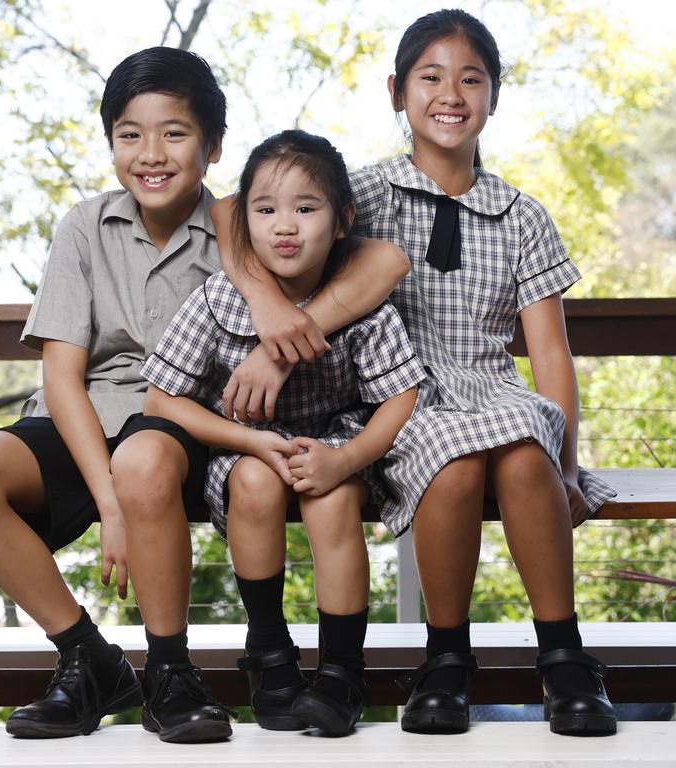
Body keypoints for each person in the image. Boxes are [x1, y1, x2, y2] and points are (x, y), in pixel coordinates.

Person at [0, 48, 409, 743]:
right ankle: (87, 658)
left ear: (213, 145)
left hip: (181, 424)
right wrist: (107, 502)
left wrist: (276, 323)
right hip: (86, 418)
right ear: (112, 144)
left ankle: (168, 671)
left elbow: (385, 261)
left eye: (175, 133)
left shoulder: (242, 224)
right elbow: (62, 379)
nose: (150, 153)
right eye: (130, 134)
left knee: (144, 462)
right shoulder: (85, 226)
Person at [219, 9, 618, 738]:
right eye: (429, 77)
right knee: (456, 466)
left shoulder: (523, 216)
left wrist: (569, 465)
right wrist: (267, 314)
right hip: (396, 393)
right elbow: (226, 210)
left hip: (491, 388)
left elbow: (550, 354)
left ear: (495, 97)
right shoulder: (361, 193)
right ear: (396, 93)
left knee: (529, 456)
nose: (451, 93)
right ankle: (445, 659)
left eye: (472, 79)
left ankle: (563, 655)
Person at [139, 130, 423, 738]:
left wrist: (347, 460)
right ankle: (269, 652)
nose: (284, 226)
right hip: (247, 443)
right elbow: (162, 399)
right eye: (265, 211)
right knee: (256, 485)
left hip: (337, 439)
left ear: (343, 219)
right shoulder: (220, 300)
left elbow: (402, 396)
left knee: (332, 501)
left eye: (306, 208)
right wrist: (250, 442)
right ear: (244, 222)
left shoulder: (360, 300)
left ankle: (343, 672)